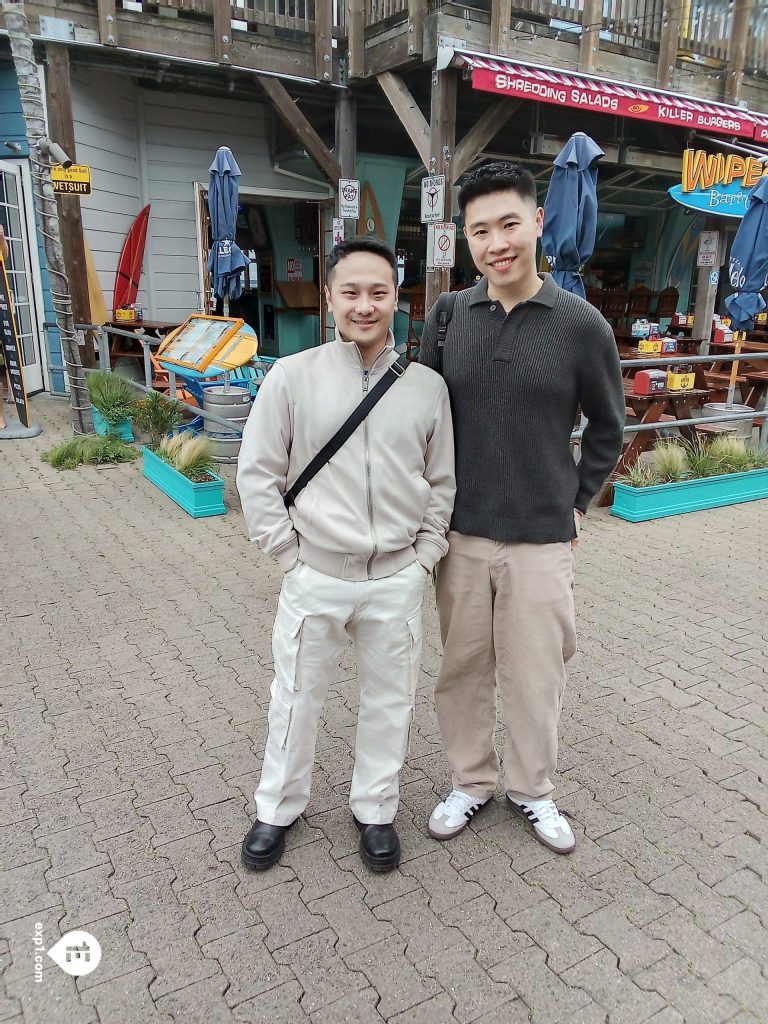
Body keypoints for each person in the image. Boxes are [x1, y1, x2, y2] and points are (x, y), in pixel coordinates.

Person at [419, 162, 624, 854]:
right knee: (462, 668)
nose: (496, 242)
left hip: (541, 539)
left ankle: (534, 791)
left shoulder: (581, 326)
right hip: (461, 536)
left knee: (537, 674)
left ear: (537, 223)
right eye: (480, 230)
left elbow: (607, 427)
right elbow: (423, 416)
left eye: (509, 223)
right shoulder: (448, 317)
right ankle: (471, 781)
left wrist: (575, 505)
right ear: (466, 240)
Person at [236, 236, 455, 873]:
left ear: (398, 300)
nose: (365, 305)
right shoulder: (292, 376)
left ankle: (376, 809)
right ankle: (277, 807)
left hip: (396, 577)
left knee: (390, 702)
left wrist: (425, 557)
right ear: (330, 296)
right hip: (316, 574)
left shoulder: (426, 387)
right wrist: (286, 554)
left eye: (378, 292)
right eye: (351, 291)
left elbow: (442, 482)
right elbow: (258, 473)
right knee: (296, 697)